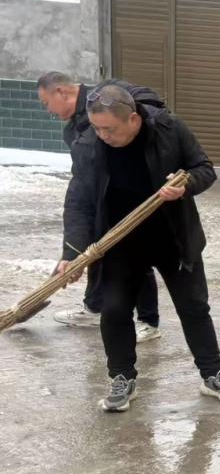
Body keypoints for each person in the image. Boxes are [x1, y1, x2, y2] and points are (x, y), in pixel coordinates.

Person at [57, 82, 220, 412]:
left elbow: (204, 168)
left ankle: (213, 374)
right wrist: (72, 253)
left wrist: (186, 185)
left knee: (193, 307)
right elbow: (79, 202)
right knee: (114, 310)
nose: (102, 136)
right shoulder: (88, 145)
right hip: (119, 240)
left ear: (133, 119)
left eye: (109, 129)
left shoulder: (170, 130)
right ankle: (122, 378)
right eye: (97, 128)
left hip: (172, 237)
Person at [37, 72, 162, 343]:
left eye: (46, 103)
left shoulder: (105, 96)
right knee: (95, 250)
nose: (48, 110)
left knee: (135, 254)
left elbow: (149, 103)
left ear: (61, 92)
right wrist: (72, 251)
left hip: (134, 193)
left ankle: (148, 321)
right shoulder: (76, 128)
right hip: (101, 196)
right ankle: (95, 307)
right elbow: (81, 185)